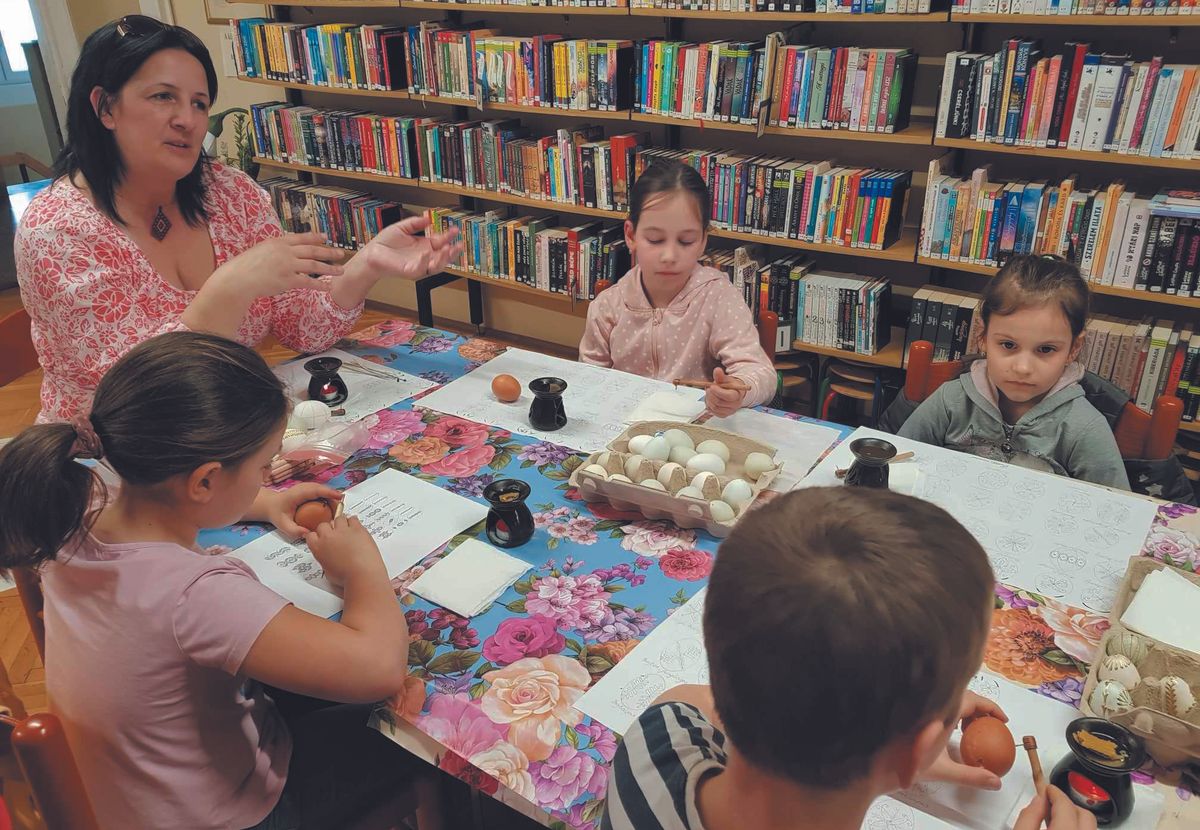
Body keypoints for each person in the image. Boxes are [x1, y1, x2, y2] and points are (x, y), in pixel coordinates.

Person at [0, 331, 417, 830]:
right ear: (204, 481)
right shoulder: (196, 594)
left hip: (127, 794)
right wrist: (361, 565)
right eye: (263, 467)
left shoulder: (76, 504)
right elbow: (378, 667)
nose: (266, 478)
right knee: (409, 722)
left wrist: (261, 503)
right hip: (226, 815)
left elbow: (183, 496)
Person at [15, 15, 460, 424]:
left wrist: (367, 264)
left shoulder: (229, 193)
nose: (186, 120)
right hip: (110, 462)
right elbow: (148, 395)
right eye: (162, 97)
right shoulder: (58, 230)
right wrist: (231, 286)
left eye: (199, 102)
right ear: (104, 107)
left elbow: (301, 326)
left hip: (227, 432)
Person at [603, 487, 1096, 830]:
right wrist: (894, 736)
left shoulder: (655, 744)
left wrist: (895, 737)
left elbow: (683, 700)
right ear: (915, 750)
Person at [899, 255, 1128, 490]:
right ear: (982, 337)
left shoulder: (1084, 427)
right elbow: (898, 461)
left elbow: (1118, 510)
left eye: (1046, 349)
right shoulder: (951, 400)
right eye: (1008, 345)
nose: (1023, 368)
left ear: (1073, 349)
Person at [578, 160, 776, 418]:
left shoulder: (717, 297)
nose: (669, 255)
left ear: (704, 240)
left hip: (696, 432)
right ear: (630, 235)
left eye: (686, 241)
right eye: (655, 239)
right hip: (626, 431)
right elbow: (589, 379)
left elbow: (761, 374)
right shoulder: (609, 306)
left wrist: (739, 390)